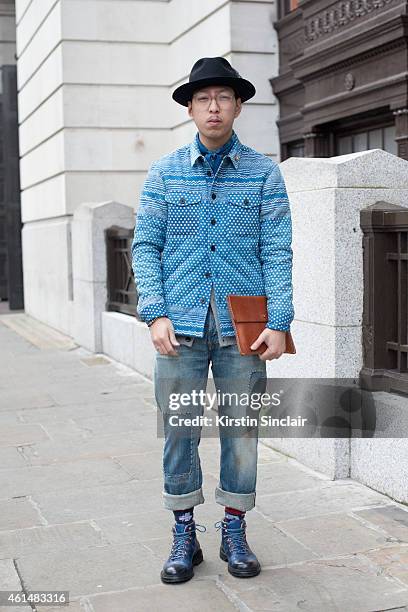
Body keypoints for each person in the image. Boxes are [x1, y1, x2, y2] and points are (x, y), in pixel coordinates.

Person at [131, 56, 294, 584]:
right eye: (203, 99)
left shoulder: (264, 172)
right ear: (190, 109)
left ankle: (234, 528)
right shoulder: (165, 172)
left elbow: (278, 249)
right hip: (178, 326)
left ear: (239, 105)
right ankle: (183, 532)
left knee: (241, 433)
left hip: (241, 327)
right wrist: (154, 313)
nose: (214, 107)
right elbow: (146, 246)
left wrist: (281, 319)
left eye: (223, 97)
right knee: (180, 430)